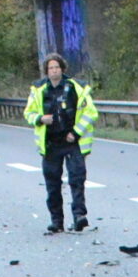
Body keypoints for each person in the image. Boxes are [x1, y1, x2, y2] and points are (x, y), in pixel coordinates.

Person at [24, 53, 96, 233]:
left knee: (77, 179)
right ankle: (57, 221)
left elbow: (90, 113)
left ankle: (79, 216)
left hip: (72, 142)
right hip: (50, 144)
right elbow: (28, 113)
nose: (54, 71)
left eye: (57, 67)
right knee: (53, 184)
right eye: (51, 68)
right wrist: (40, 119)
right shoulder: (39, 90)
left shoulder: (76, 88)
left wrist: (76, 132)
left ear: (62, 69)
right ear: (46, 71)